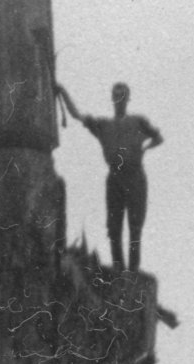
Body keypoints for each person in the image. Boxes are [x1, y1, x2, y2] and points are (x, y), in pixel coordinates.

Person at [55, 81, 162, 272]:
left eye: (123, 95)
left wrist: (145, 148)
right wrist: (62, 91)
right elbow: (77, 115)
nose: (119, 99)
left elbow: (157, 137)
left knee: (135, 227)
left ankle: (133, 273)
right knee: (114, 228)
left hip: (135, 176)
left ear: (128, 99)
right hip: (115, 178)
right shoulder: (103, 126)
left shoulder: (138, 122)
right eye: (116, 95)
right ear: (112, 98)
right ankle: (119, 271)